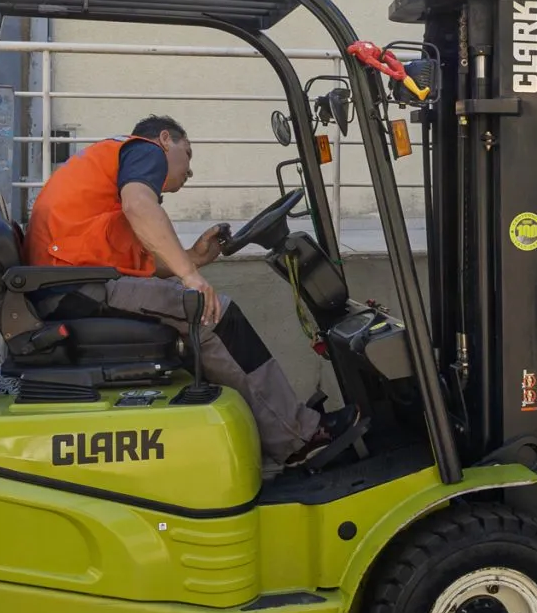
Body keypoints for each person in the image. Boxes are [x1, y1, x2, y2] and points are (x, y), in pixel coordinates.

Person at [27, 115, 323, 463]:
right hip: (76, 287)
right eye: (189, 154)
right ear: (166, 140)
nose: (191, 171)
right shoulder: (144, 149)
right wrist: (189, 277)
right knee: (216, 314)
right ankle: (297, 437)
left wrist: (193, 259)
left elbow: (133, 266)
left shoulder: (106, 171)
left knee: (203, 309)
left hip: (72, 283)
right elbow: (139, 206)